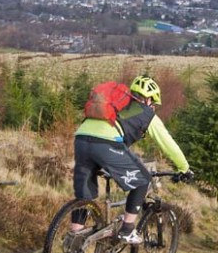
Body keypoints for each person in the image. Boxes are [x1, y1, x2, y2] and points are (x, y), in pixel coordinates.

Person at [72, 75, 192, 244]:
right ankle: (127, 230)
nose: (153, 106)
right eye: (153, 102)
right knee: (143, 180)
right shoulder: (147, 113)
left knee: (84, 196)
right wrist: (184, 168)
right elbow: (168, 144)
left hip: (81, 139)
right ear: (149, 99)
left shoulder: (115, 104)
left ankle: (75, 239)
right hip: (106, 144)